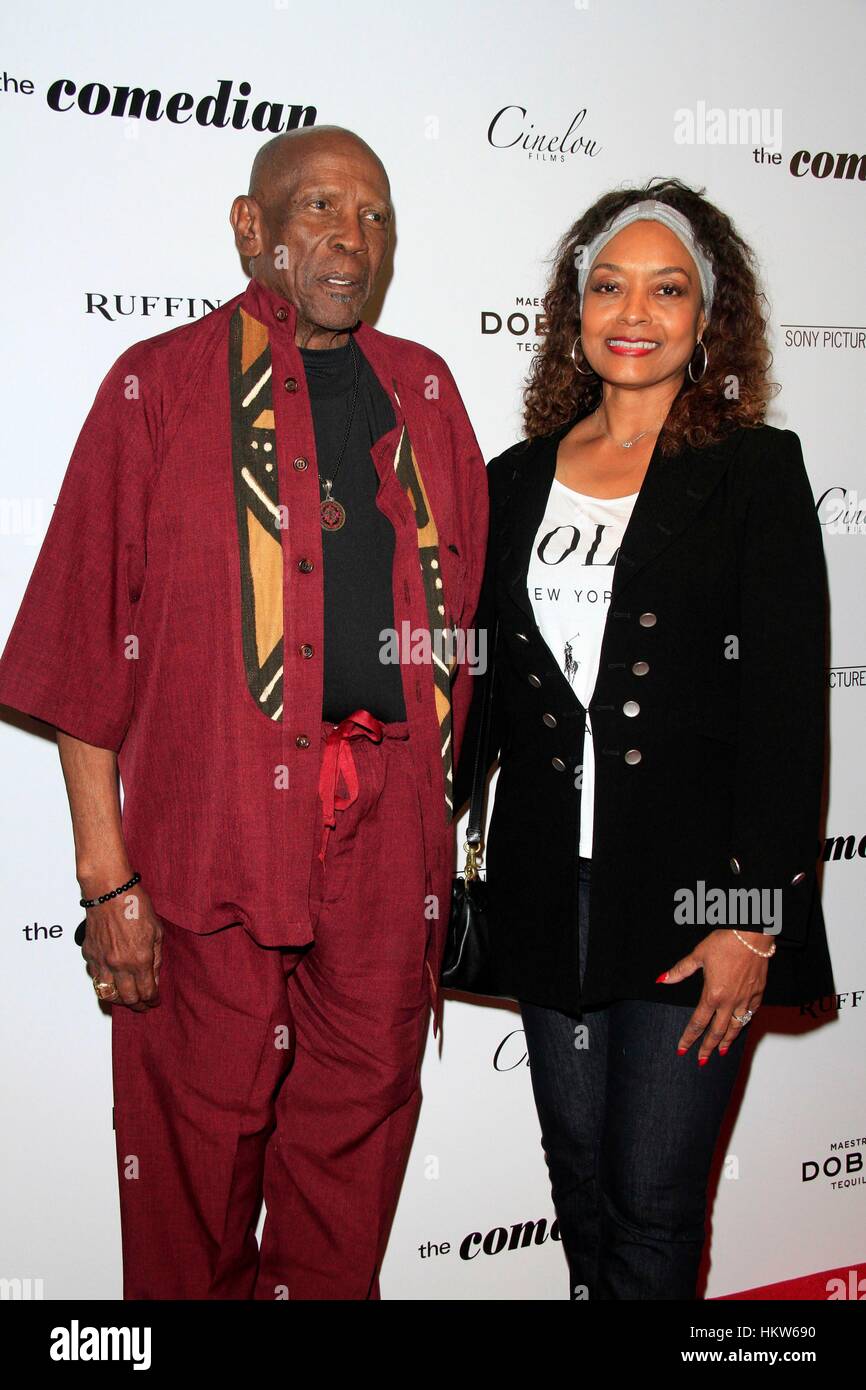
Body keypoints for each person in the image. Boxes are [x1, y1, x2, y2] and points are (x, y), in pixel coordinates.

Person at [0, 126, 488, 1299]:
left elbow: (466, 636)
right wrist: (107, 880)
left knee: (352, 1149)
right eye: (318, 208)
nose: (347, 238)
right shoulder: (157, 385)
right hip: (211, 832)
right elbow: (80, 647)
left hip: (386, 847)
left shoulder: (424, 391)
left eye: (372, 216)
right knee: (191, 1161)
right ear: (250, 228)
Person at [454, 177, 835, 1300]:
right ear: (574, 308)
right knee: (577, 1184)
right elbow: (477, 689)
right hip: (546, 896)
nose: (634, 310)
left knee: (655, 1205)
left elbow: (782, 712)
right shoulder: (513, 480)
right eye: (608, 284)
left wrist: (752, 920)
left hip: (691, 908)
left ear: (703, 315)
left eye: (666, 288)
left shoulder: (754, 470)